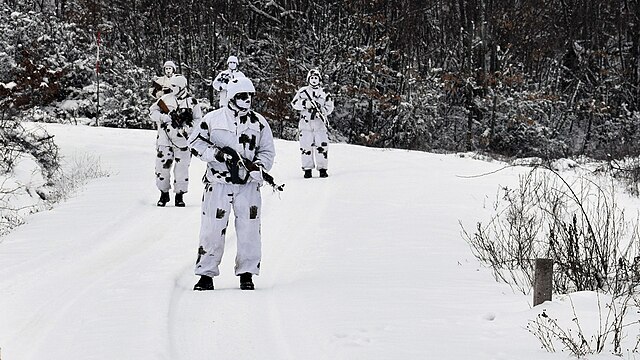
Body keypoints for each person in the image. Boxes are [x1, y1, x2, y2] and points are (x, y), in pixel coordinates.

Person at [189, 77, 276, 291]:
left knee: (249, 229)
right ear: (231, 97)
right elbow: (194, 142)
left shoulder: (258, 123)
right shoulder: (213, 119)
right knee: (212, 228)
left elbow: (267, 151)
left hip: (248, 186)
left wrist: (257, 168)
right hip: (218, 184)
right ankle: (205, 274)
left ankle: (247, 273)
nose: (247, 101)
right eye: (241, 96)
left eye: (249, 97)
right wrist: (214, 155)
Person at [149, 75, 203, 207]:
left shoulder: (192, 102)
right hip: (165, 140)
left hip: (183, 141)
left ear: (181, 86)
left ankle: (179, 196)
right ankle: (164, 194)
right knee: (162, 168)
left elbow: (199, 121)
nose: (171, 88)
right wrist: (165, 117)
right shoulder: (165, 99)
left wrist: (187, 127)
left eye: (175, 86)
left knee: (181, 169)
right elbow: (152, 113)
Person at [291, 68, 334, 178]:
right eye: (312, 78)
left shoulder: (325, 93)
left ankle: (322, 169)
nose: (314, 80)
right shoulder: (302, 91)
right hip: (305, 125)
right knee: (306, 148)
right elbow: (294, 103)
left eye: (316, 78)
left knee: (322, 147)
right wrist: (306, 104)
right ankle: (307, 169)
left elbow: (330, 107)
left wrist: (322, 111)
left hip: (319, 125)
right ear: (308, 79)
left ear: (319, 79)